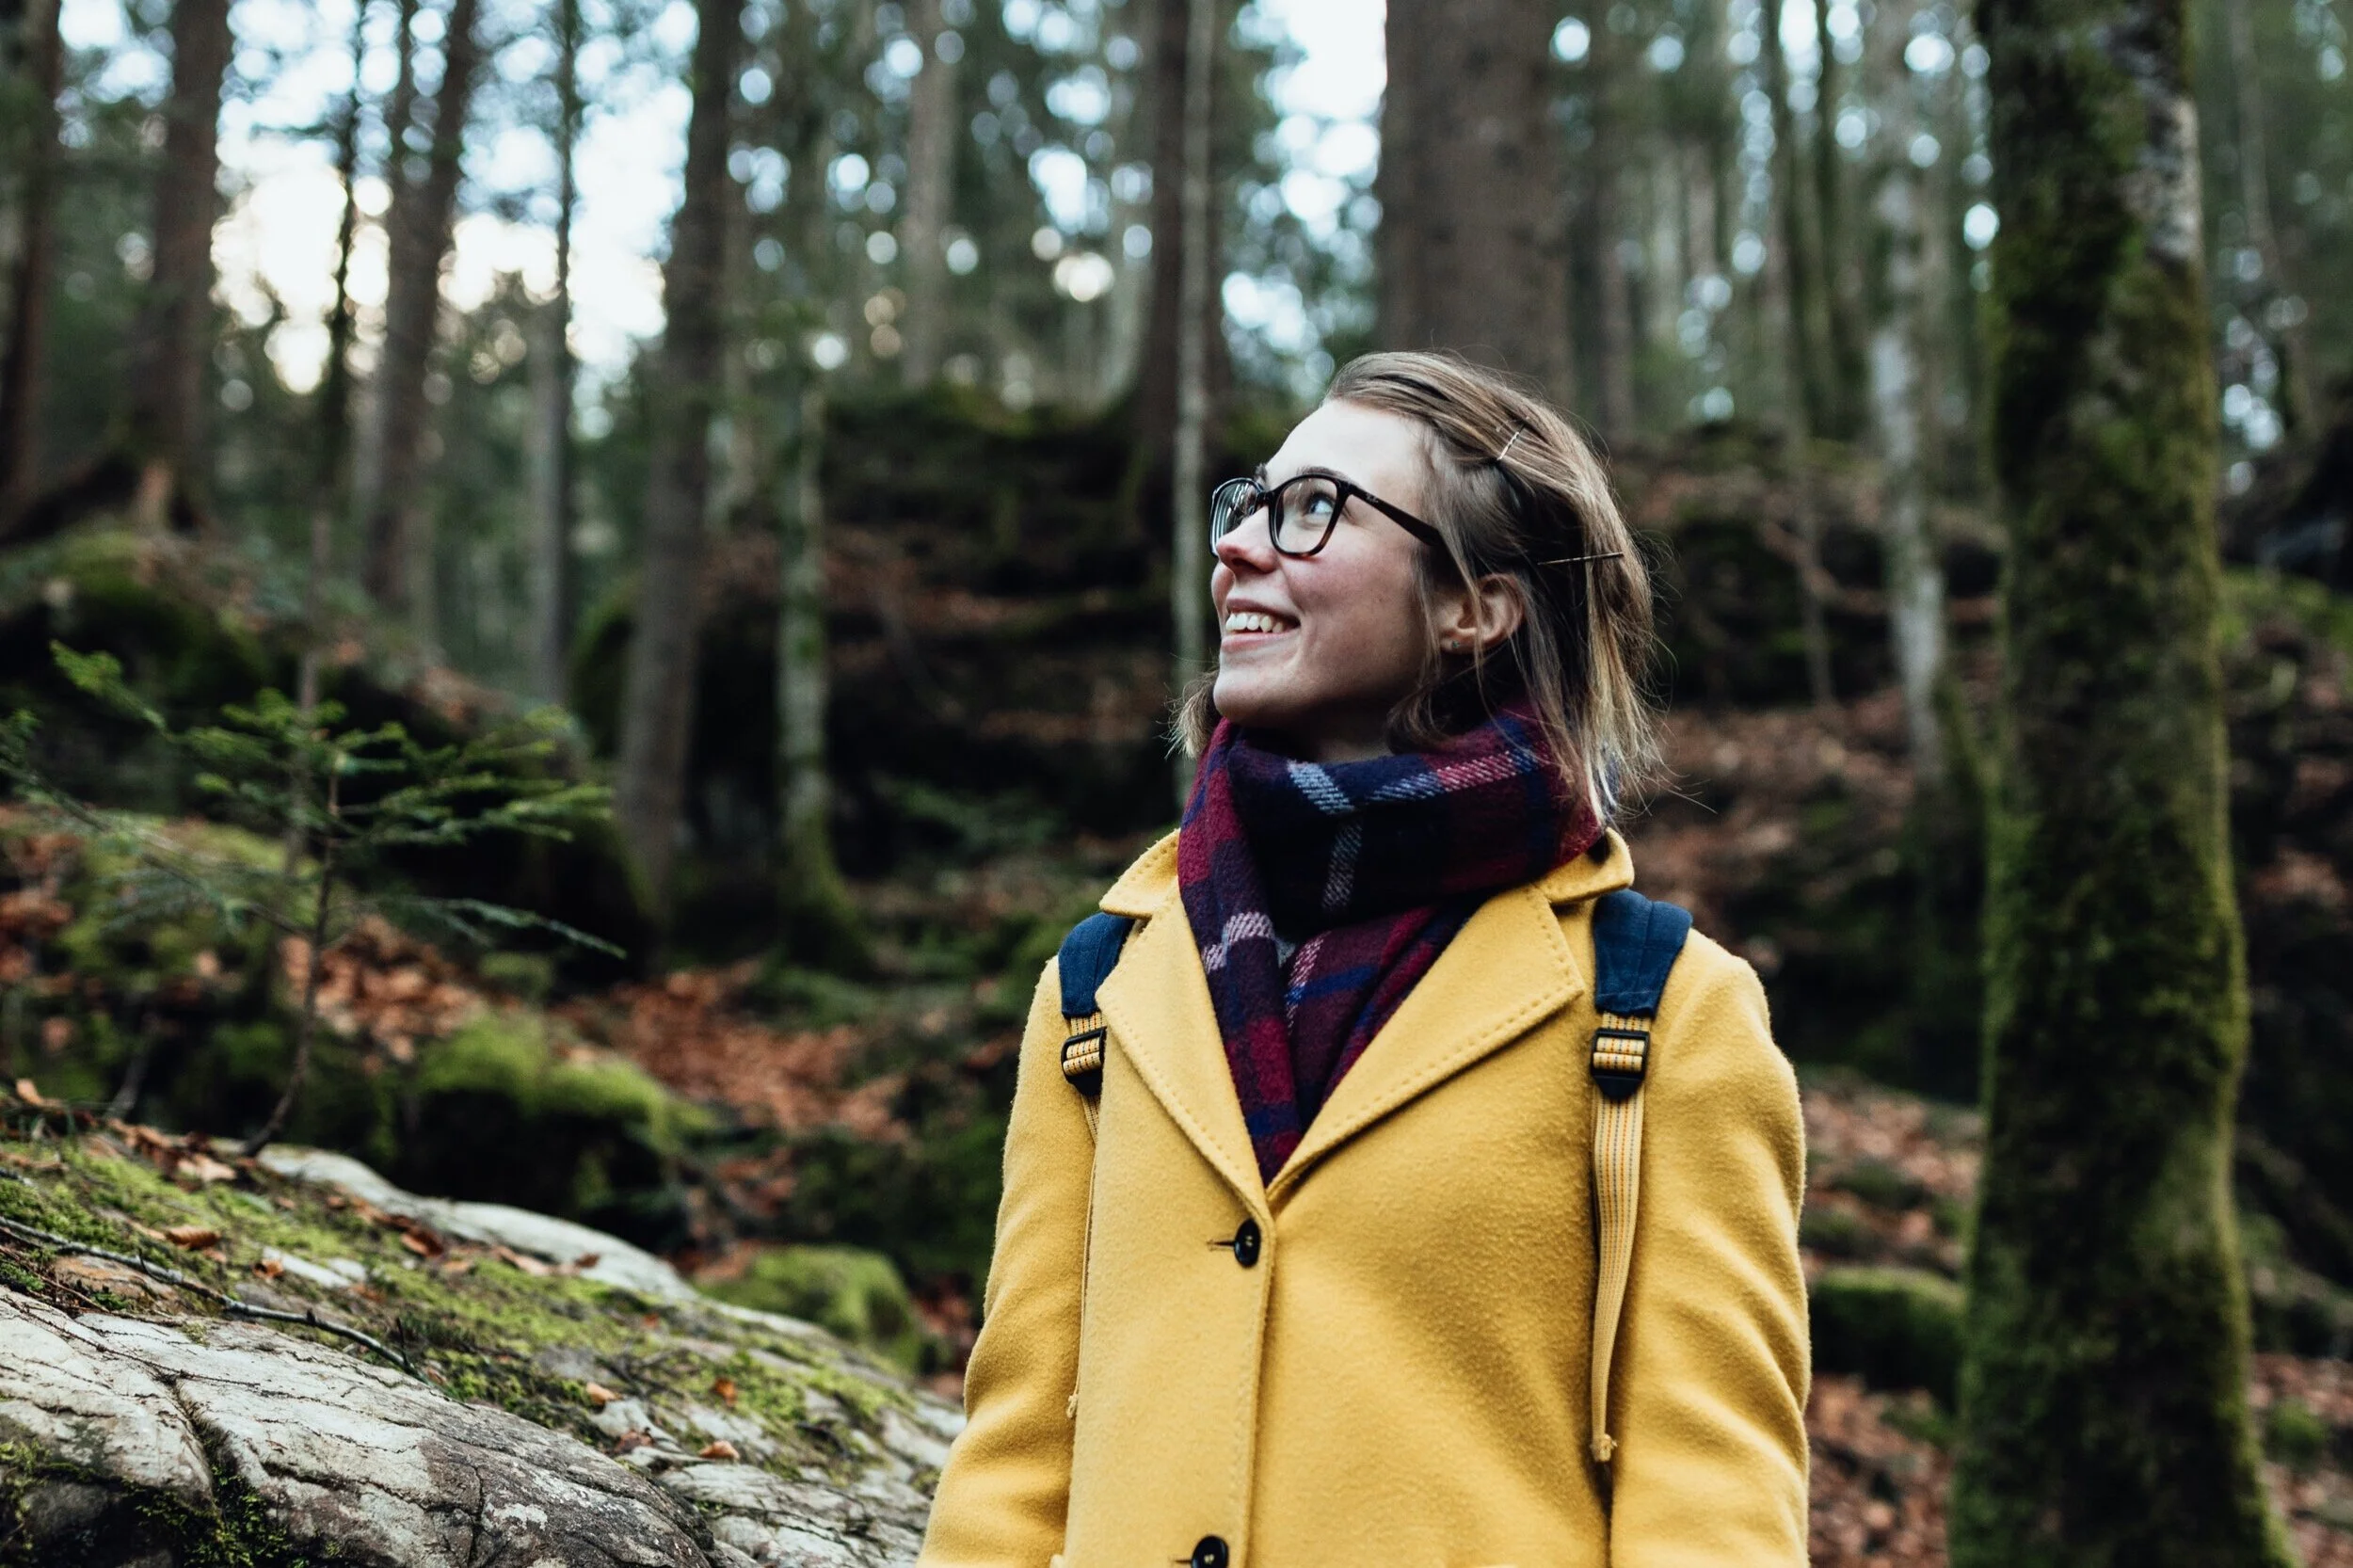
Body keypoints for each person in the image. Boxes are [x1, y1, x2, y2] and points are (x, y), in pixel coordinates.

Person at [918, 351, 1809, 1568]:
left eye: (1313, 508)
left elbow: (1712, 1505)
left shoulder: (1664, 1015)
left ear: (1474, 607)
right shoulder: (1100, 988)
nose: (1236, 548)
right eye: (1247, 506)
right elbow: (1014, 1463)